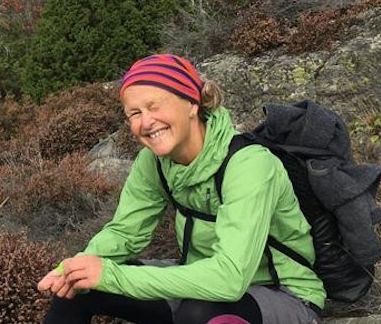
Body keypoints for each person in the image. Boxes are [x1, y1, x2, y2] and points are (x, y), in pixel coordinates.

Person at [37, 54, 325, 324]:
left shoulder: (248, 165)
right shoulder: (154, 162)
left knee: (197, 314)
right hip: (200, 285)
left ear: (192, 103)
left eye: (155, 106)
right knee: (80, 289)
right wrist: (76, 268)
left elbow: (230, 278)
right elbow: (125, 233)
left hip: (285, 296)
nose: (146, 122)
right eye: (134, 113)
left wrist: (112, 275)